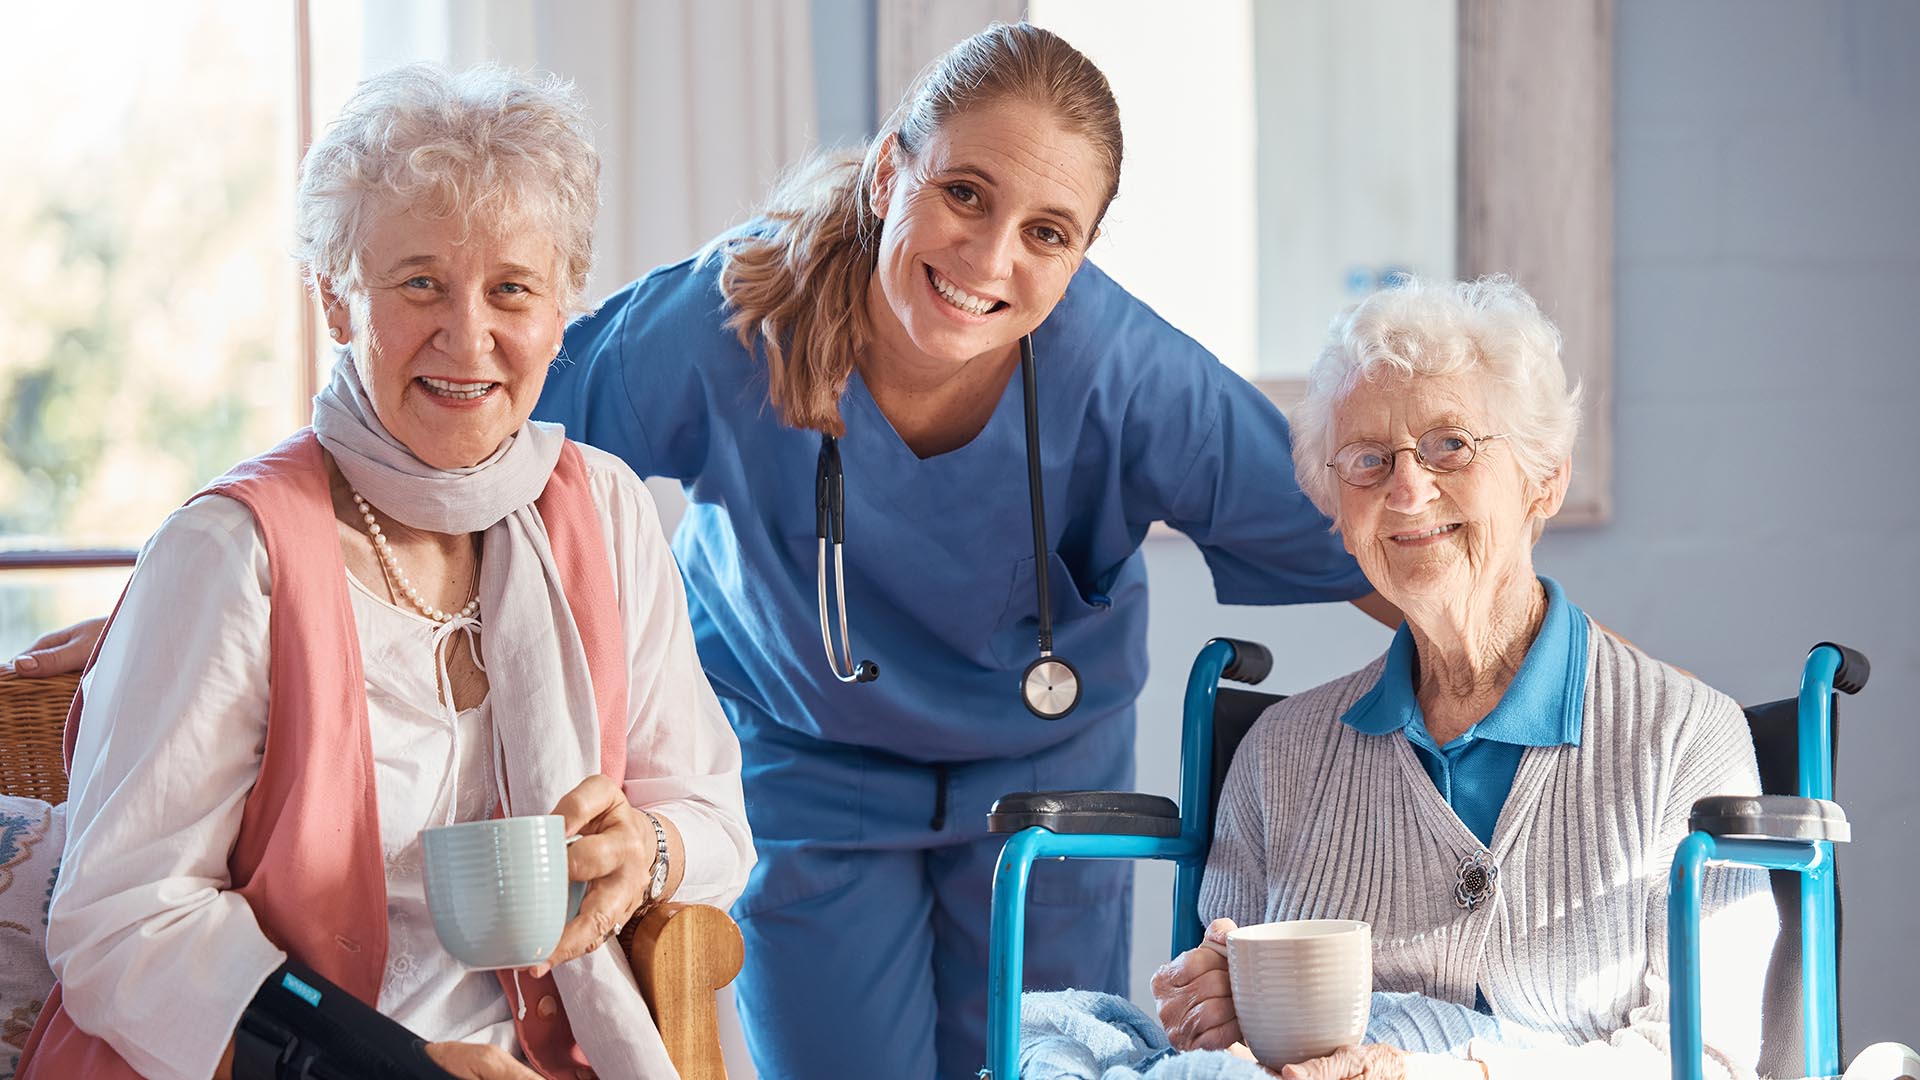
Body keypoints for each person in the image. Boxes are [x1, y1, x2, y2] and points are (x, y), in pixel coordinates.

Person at [7, 23, 1392, 1079]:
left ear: (1086, 250)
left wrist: (1519, 664)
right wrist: (211, 562)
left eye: (1047, 233)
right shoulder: (727, 323)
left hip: (1038, 775)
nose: (990, 255)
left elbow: (1357, 535)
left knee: (1023, 1065)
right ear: (890, 171)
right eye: (963, 193)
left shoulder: (1126, 375)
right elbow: (448, 416)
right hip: (813, 763)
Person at [17, 65, 752, 1080]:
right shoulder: (231, 553)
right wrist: (394, 1068)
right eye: (419, 283)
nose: (467, 336)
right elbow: (122, 922)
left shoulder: (608, 510)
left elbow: (713, 816)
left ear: (562, 306)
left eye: (510, 290)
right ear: (335, 298)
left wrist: (647, 851)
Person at [1149, 277, 1778, 1080]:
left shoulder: (1687, 738)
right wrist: (1220, 1006)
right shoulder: (1279, 757)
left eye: (1451, 444)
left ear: (1543, 477)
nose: (1407, 490)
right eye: (1369, 460)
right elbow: (1227, 1045)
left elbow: (1710, 1060)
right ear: (1339, 517)